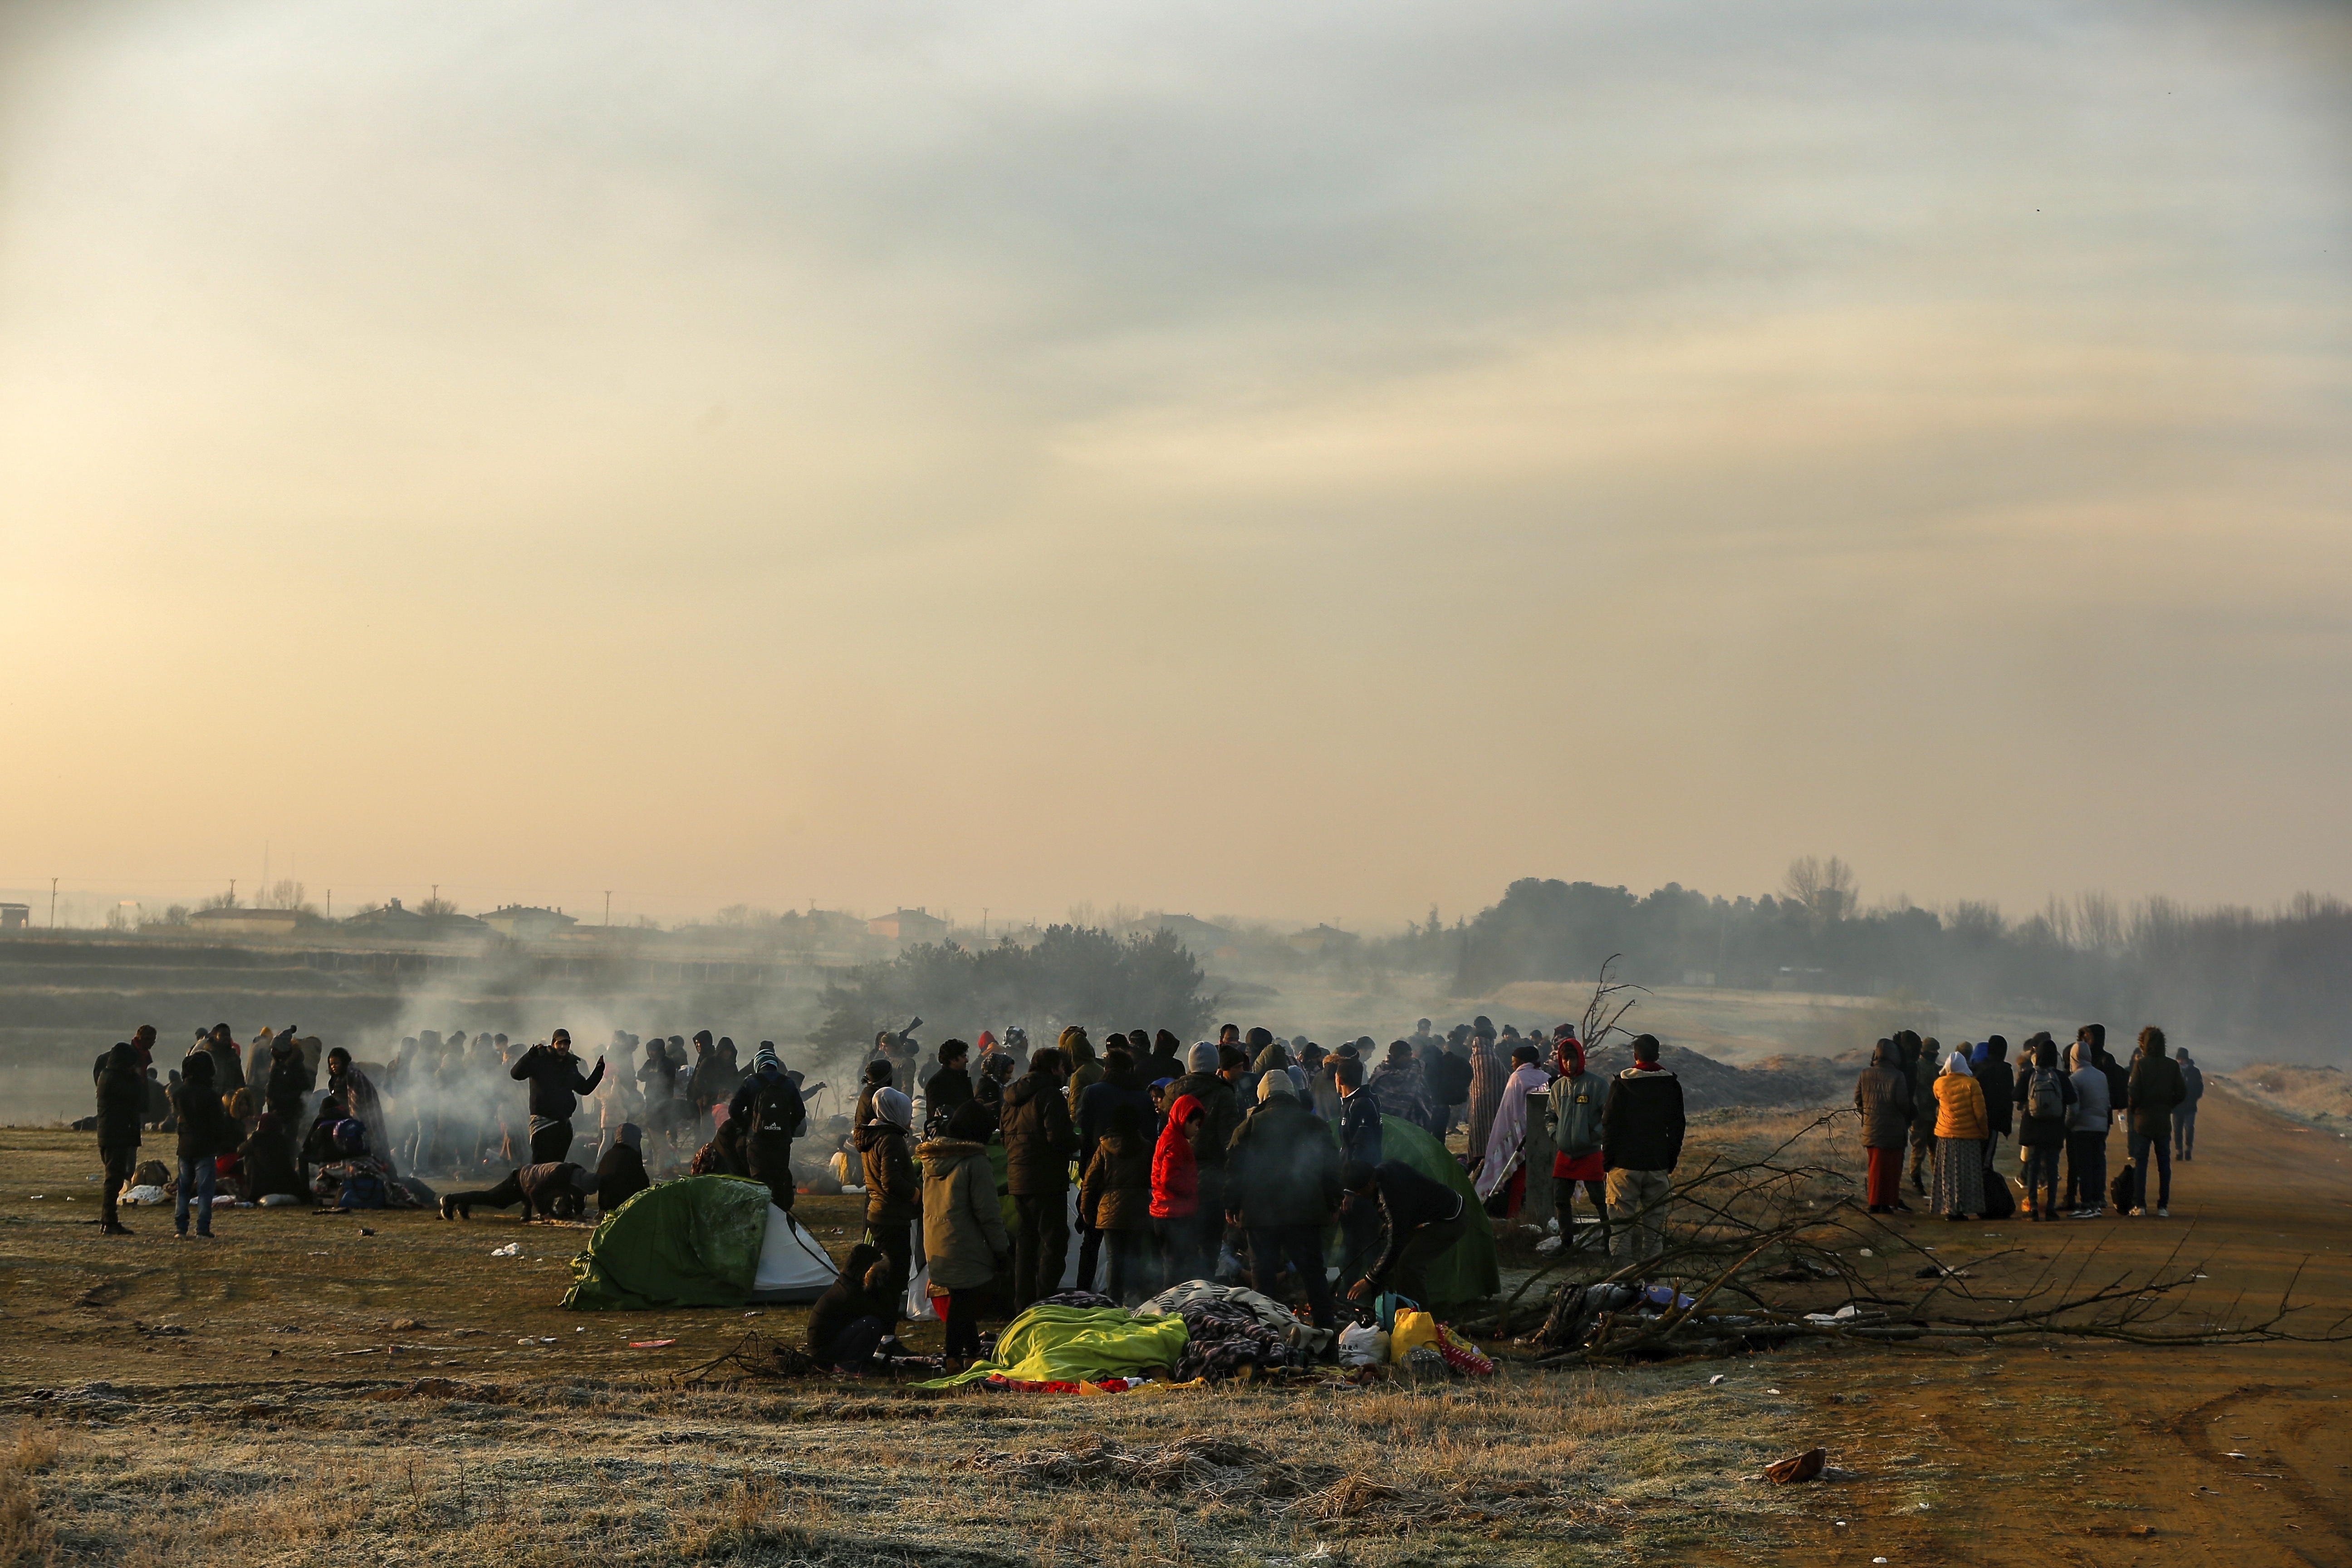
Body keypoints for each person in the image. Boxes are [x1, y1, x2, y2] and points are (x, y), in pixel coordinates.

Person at [1225, 1073, 1342, 1333]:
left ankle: (1264, 1334)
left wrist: (1232, 1207)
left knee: (1263, 1278)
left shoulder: (1249, 1126)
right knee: (1313, 1275)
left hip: (1259, 1215)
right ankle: (1326, 1331)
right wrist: (1334, 1204)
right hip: (1305, 1212)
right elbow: (1331, 1169)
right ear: (1292, 1093)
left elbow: (1235, 1172)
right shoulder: (1314, 1124)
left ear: (1263, 1095)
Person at [919, 1100, 1011, 1368]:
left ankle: (971, 1353)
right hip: (965, 1238)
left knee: (962, 1297)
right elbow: (987, 1212)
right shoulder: (975, 1161)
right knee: (966, 1298)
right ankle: (952, 1358)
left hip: (936, 1238)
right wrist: (1001, 1249)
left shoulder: (933, 1159)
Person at [1001, 1047, 1078, 1309]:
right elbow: (1058, 1138)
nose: (1066, 1072)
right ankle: (1044, 1299)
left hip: (1018, 1178)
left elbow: (1004, 1139)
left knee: (1026, 1242)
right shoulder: (1050, 1096)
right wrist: (1080, 1141)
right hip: (1046, 1179)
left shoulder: (1011, 1099)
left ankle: (1022, 1301)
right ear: (1054, 1068)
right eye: (1063, 1067)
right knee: (1055, 1242)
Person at [1073, 1045, 1153, 1293]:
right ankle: (1134, 1300)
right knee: (1134, 1252)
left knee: (1092, 1243)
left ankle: (1085, 1294)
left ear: (1106, 1069)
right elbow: (1152, 1135)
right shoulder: (1142, 1096)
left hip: (1099, 1175)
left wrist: (1086, 1176)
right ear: (1130, 1069)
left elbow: (1083, 1134)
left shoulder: (1092, 1093)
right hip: (1137, 1185)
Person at [1601, 1034, 1685, 1261]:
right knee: (1654, 1233)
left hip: (1623, 1165)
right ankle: (1652, 1282)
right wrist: (1670, 1160)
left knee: (1620, 1229)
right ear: (1658, 1055)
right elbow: (1678, 1126)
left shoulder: (1621, 1084)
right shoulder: (1671, 1085)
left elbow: (1609, 1125)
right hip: (1657, 1165)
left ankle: (1621, 1281)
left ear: (1635, 1056)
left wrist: (1608, 1162)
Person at [1343, 1159, 1468, 1309]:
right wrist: (1393, 1224)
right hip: (1438, 1213)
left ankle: (1419, 1319)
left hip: (1449, 1220)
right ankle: (1403, 1310)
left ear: (1369, 1185)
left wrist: (1370, 1279)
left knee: (1409, 1264)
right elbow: (1409, 1201)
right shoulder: (1385, 1169)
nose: (1358, 1195)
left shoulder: (1389, 1195)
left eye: (1358, 1192)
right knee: (1399, 1259)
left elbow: (1395, 1242)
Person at [1168, 1041, 1244, 1284]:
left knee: (1179, 1245)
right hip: (1211, 1180)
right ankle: (1202, 1297)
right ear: (1216, 1066)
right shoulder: (1223, 1093)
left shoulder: (1172, 1094)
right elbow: (1230, 1143)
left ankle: (1176, 1297)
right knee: (1208, 1246)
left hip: (1176, 1178)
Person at [1079, 1103, 1156, 1305]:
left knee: (1115, 1258)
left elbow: (1090, 1181)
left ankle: (1113, 1301)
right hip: (1139, 1209)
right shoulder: (1147, 1147)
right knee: (1134, 1257)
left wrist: (1086, 1209)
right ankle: (1133, 1301)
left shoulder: (1105, 1147)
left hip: (1110, 1210)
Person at [1475, 1043, 1553, 1214]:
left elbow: (1510, 1110)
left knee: (1516, 1177)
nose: (1512, 1064)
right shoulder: (1545, 1078)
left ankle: (1513, 1213)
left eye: (1514, 1061)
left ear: (1522, 1062)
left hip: (1517, 1137)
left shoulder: (1517, 1078)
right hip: (1540, 1136)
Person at [859, 1087, 921, 1301]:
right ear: (895, 1112)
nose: (910, 1116)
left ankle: (878, 1316)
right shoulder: (890, 1140)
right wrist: (917, 1195)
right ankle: (884, 1324)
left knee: (886, 1269)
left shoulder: (872, 1136)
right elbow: (891, 1181)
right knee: (895, 1272)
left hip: (879, 1212)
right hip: (891, 1215)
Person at [510, 1029, 606, 1163]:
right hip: (542, 1123)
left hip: (563, 1124)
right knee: (540, 1165)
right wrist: (529, 1056)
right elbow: (516, 1074)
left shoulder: (570, 1066)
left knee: (557, 1165)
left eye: (566, 1044)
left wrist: (599, 1070)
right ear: (553, 1043)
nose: (562, 1047)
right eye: (560, 1043)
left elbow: (585, 1089)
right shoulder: (540, 1060)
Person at [730, 1044, 806, 1210]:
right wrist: (789, 1129)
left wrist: (746, 1127)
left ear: (758, 1064)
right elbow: (800, 1112)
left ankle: (760, 1218)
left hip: (757, 1140)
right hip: (782, 1141)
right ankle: (779, 1217)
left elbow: (733, 1110)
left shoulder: (750, 1082)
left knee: (759, 1181)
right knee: (780, 1180)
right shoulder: (788, 1083)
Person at [805, 1245, 901, 1375]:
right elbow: (882, 1315)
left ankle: (854, 1363)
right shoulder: (851, 1293)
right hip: (824, 1352)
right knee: (871, 1324)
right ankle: (849, 1367)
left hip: (825, 1346)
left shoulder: (847, 1283)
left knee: (871, 1323)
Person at [168, 1049, 233, 1240]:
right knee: (205, 1191)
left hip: (185, 1145)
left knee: (183, 1189)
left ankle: (181, 1228)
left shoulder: (179, 1094)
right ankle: (202, 1229)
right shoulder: (211, 1095)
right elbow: (218, 1123)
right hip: (205, 1147)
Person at [2124, 1025, 2185, 1217]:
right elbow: (2182, 1092)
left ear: (2144, 1044)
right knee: (2164, 1165)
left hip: (2143, 1121)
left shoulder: (2141, 1065)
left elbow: (2133, 1092)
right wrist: (2169, 1105)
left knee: (2141, 1164)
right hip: (2163, 1121)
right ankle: (2163, 1206)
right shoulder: (2172, 1066)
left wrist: (2135, 1110)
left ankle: (2140, 1205)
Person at [2014, 1039, 2077, 1221]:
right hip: (2055, 1128)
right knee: (2052, 1168)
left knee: (2033, 1168)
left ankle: (2033, 1207)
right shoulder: (2060, 1077)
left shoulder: (2028, 1075)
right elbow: (2072, 1099)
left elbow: (2016, 1096)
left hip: (2033, 1128)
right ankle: (2050, 1209)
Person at [1852, 1038, 1915, 1214]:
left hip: (1872, 1129)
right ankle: (1886, 1204)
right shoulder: (1898, 1076)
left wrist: (1868, 1113)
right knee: (1891, 1169)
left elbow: (1858, 1099)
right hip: (1893, 1131)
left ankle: (1874, 1203)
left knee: (1875, 1168)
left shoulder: (1865, 1073)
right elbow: (1903, 1103)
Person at [1151, 1093, 1205, 1289]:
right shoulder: (1177, 1142)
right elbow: (1169, 1179)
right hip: (1174, 1214)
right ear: (1185, 1119)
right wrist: (1193, 1189)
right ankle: (1172, 1307)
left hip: (1166, 1211)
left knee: (1174, 1266)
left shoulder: (1169, 1137)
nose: (1198, 1130)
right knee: (1177, 1268)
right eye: (1196, 1124)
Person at [1929, 1050, 1988, 1222]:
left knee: (1949, 1175)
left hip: (1946, 1137)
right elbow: (1981, 1114)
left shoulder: (1939, 1084)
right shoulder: (1972, 1084)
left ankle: (1950, 1209)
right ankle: (1971, 1206)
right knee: (1969, 1174)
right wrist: (1984, 1132)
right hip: (1968, 1137)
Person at [95, 1042, 146, 1235]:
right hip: (116, 1134)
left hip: (114, 1133)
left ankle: (109, 1219)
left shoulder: (109, 1076)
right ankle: (109, 1220)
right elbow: (135, 1095)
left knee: (115, 1179)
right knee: (113, 1180)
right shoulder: (115, 1079)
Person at [324, 1048, 394, 1178]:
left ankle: (389, 1179)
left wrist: (356, 1122)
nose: (334, 1067)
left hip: (363, 1120)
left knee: (376, 1151)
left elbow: (358, 1100)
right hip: (345, 1121)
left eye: (336, 1063)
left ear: (344, 1062)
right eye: (331, 1064)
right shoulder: (337, 1079)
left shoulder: (354, 1076)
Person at [2064, 1038, 2112, 1218]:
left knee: (2084, 1167)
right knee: (2098, 1164)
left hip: (2082, 1128)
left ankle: (2086, 1205)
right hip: (2100, 1127)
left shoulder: (2074, 1079)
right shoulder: (2101, 1076)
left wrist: (2068, 1126)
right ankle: (2098, 1200)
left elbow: (2074, 1108)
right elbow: (2107, 1104)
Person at [1905, 1032, 1940, 1195]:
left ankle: (1935, 1183)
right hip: (1922, 1116)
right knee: (1920, 1152)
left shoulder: (1932, 1068)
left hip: (1932, 1116)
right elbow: (1914, 1092)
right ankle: (1917, 1182)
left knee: (1934, 1153)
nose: (1936, 1054)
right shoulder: (1918, 1067)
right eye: (1933, 1051)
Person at [1465, 1018, 1504, 1157]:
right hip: (1492, 1105)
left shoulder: (1473, 1059)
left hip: (1476, 1104)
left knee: (1477, 1133)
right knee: (1490, 1133)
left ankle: (1476, 1159)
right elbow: (1505, 1079)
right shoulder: (1493, 1059)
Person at [595, 1122, 650, 1214]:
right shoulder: (632, 1156)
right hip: (624, 1205)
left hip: (605, 1205)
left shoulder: (608, 1154)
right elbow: (643, 1184)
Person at [1977, 1036, 2015, 1166]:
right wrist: (2006, 1126)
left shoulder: (1978, 1068)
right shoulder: (2005, 1071)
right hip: (1993, 1120)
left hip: (1975, 1119)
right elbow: (2007, 1099)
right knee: (1987, 1159)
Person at [925, 1039, 974, 1138]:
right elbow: (940, 1115)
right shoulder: (937, 1083)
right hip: (947, 1140)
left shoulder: (961, 1078)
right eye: (963, 1057)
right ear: (952, 1059)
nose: (967, 1061)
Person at [2174, 1050, 2203, 1161]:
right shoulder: (2174, 1071)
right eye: (2178, 1059)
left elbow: (2200, 1088)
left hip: (2190, 1106)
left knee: (2189, 1127)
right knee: (2177, 1130)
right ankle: (2179, 1151)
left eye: (2182, 1059)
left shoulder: (2195, 1072)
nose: (2180, 1061)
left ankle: (2188, 1149)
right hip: (2177, 1106)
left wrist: (2194, 1099)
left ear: (2186, 1059)